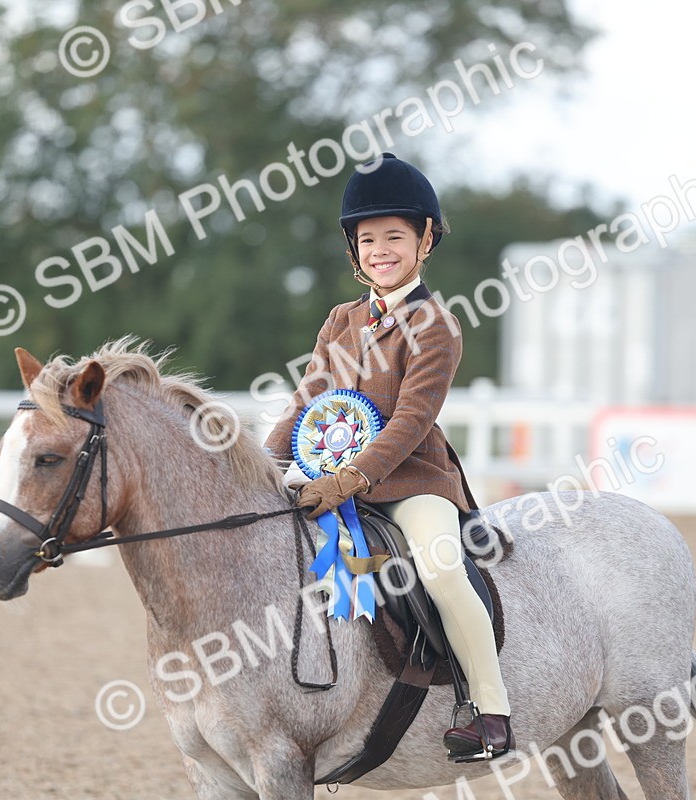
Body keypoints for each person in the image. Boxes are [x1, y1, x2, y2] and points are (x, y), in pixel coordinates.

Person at [263, 152, 513, 760]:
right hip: (332, 481)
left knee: (442, 570)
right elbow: (308, 400)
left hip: (412, 483)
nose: (381, 249)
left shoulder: (435, 326)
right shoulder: (340, 321)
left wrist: (352, 477)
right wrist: (260, 465)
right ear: (354, 250)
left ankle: (492, 713)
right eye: (368, 239)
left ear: (425, 240)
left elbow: (410, 420)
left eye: (395, 237)